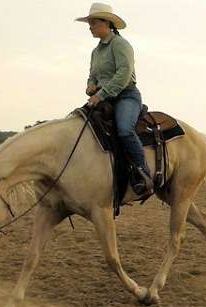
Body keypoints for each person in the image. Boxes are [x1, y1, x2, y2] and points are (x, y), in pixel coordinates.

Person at [75, 2, 154, 198]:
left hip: (126, 95)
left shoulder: (120, 45)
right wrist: (90, 86)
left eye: (93, 22)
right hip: (103, 98)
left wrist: (100, 95)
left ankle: (142, 173)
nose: (90, 26)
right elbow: (92, 75)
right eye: (90, 23)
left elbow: (123, 75)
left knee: (125, 130)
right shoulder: (96, 51)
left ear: (106, 23)